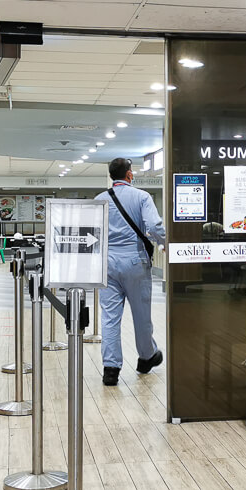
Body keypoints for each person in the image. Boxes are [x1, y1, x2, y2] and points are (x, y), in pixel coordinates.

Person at [95, 158, 166, 386]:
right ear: (128, 175)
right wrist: (166, 242)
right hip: (135, 262)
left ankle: (111, 370)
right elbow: (154, 226)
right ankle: (146, 357)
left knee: (109, 317)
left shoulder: (99, 200)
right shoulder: (142, 197)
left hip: (107, 263)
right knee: (141, 314)